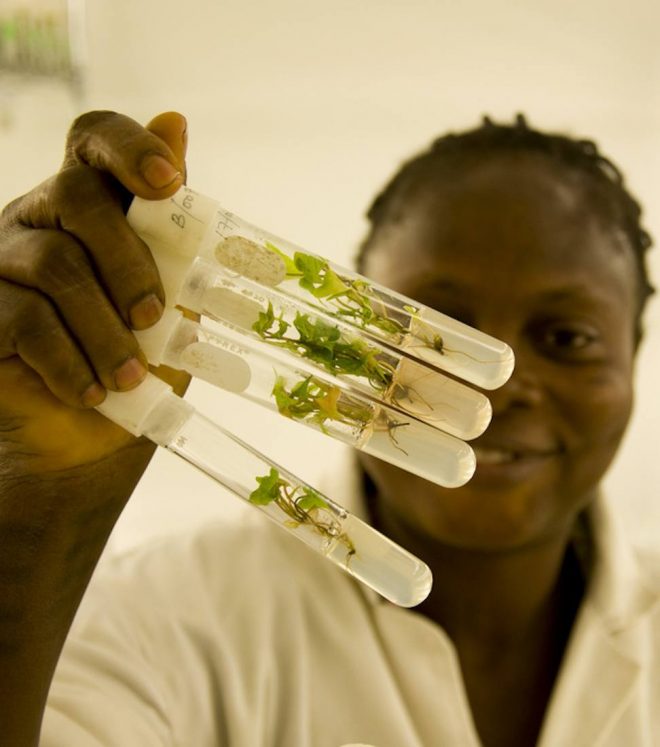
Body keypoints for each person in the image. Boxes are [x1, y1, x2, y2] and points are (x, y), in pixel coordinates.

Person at [0, 110, 658, 747]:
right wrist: (31, 508)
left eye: (568, 336)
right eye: (429, 332)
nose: (494, 388)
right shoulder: (163, 612)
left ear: (634, 353)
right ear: (344, 328)